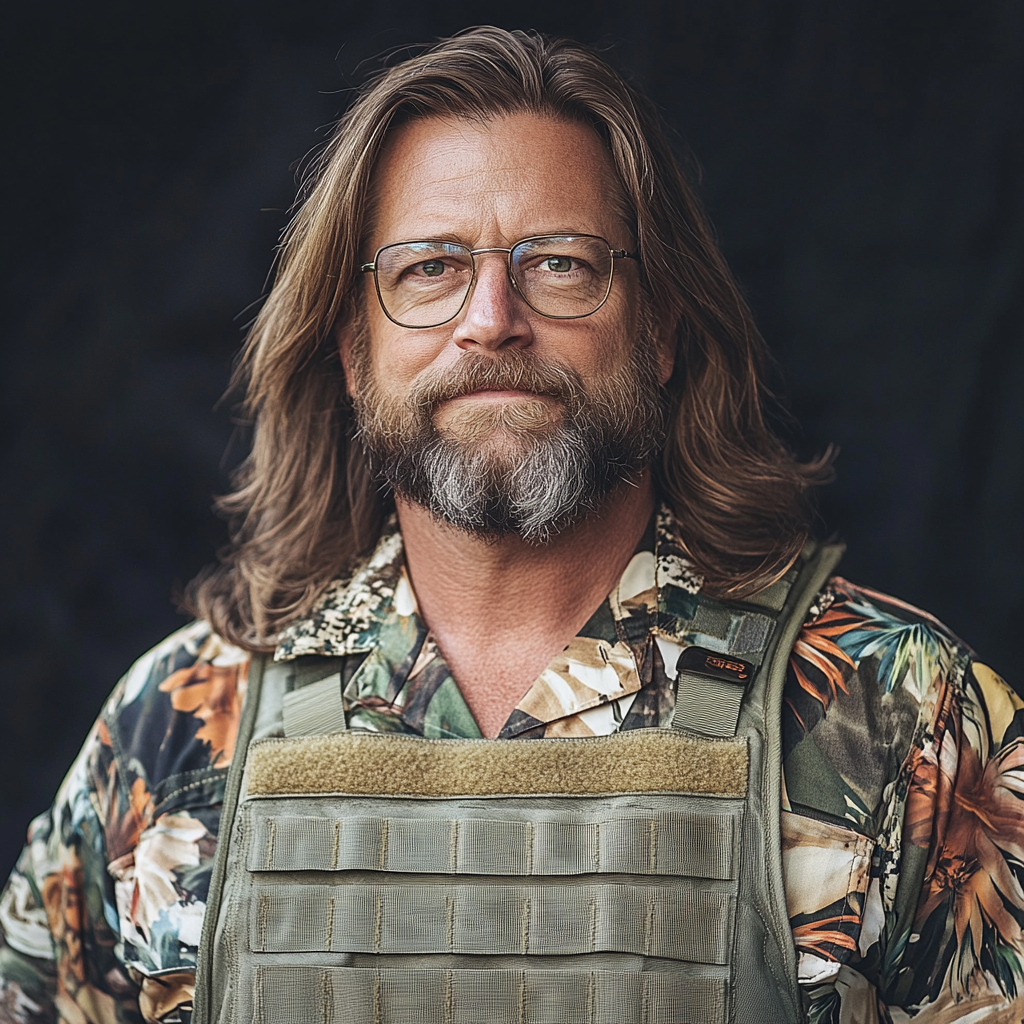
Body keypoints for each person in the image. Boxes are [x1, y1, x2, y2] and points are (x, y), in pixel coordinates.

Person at [0, 25, 1019, 1024]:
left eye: (560, 263)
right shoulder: (172, 729)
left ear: (658, 330)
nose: (490, 317)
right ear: (355, 354)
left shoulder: (901, 717)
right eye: (428, 269)